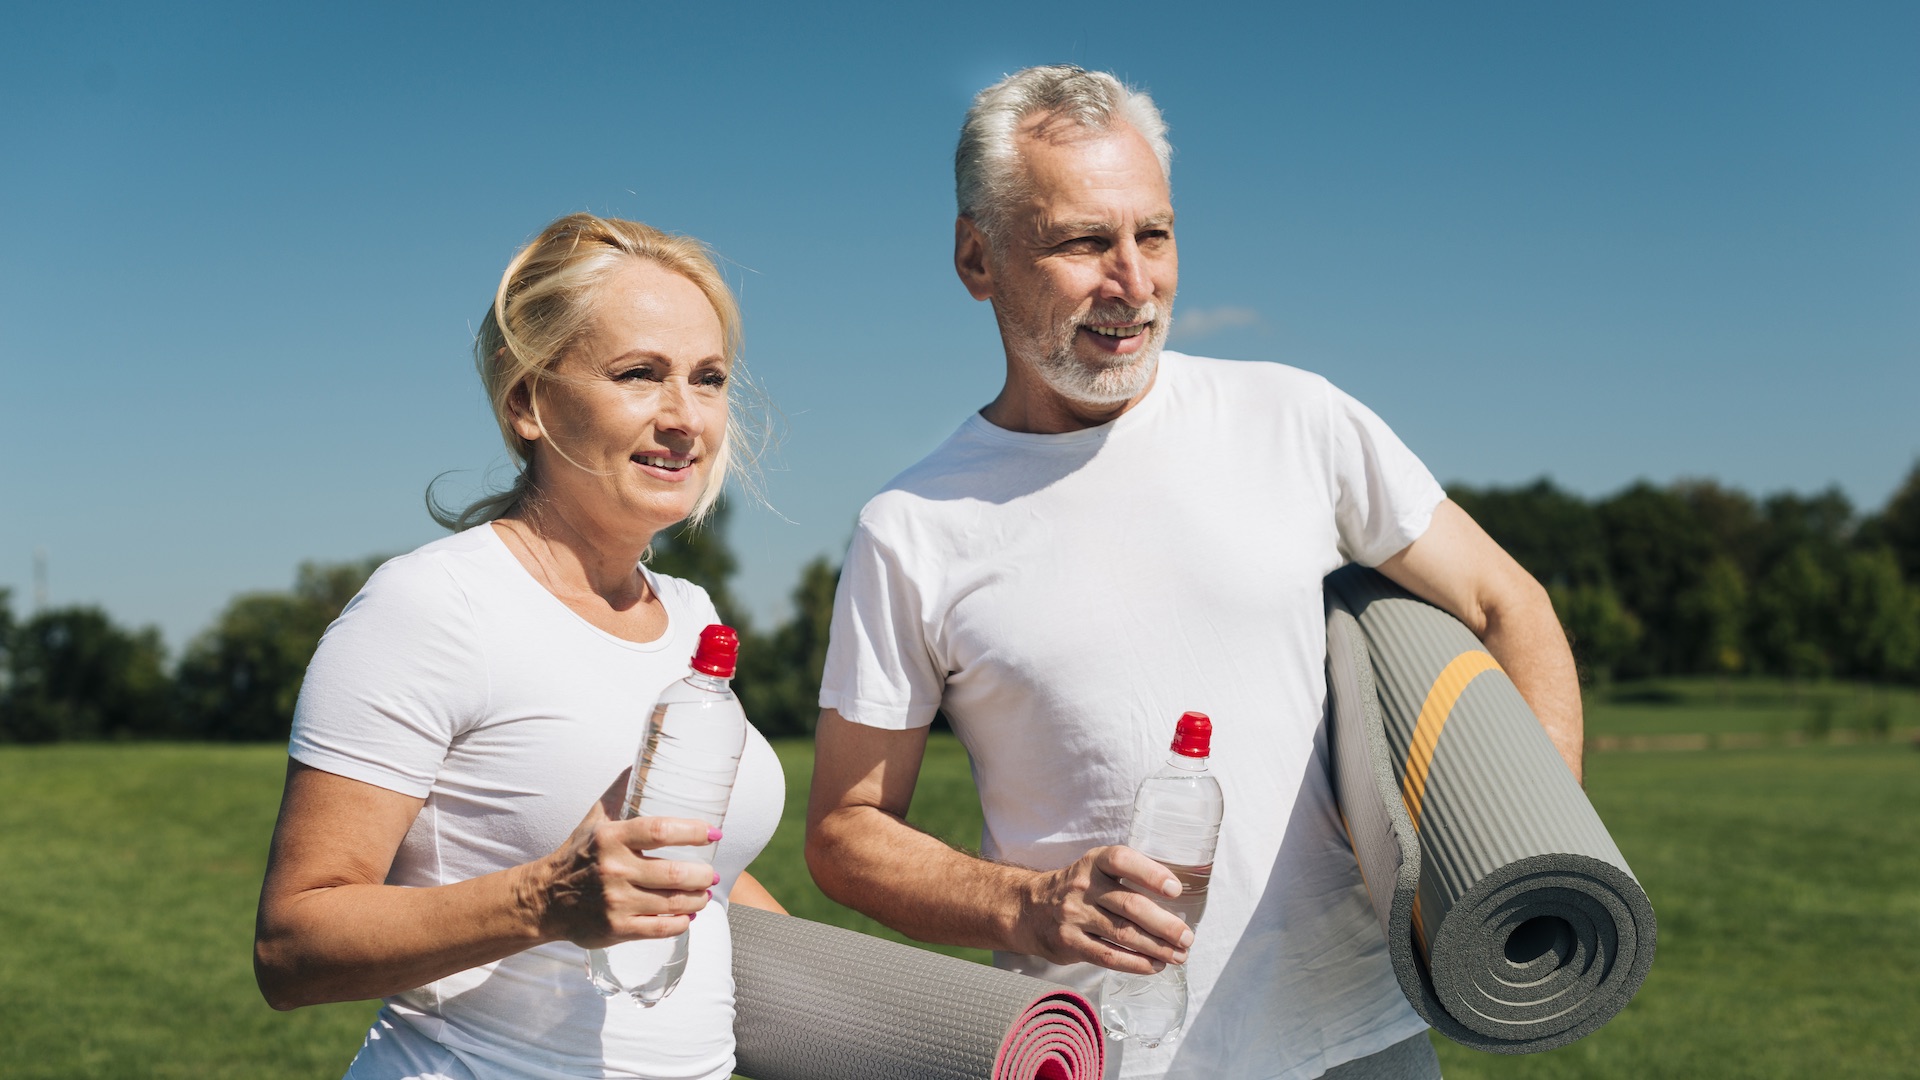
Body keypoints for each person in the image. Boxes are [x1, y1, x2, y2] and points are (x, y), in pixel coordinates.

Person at [803, 66, 1582, 1080]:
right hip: (1100, 1054)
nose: (1133, 283)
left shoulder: (1296, 419)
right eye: (1084, 242)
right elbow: (845, 833)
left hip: (1358, 1039)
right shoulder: (913, 527)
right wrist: (1024, 906)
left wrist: (1526, 845)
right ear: (975, 257)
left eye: (1155, 235)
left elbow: (1504, 602)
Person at [254, 212, 786, 1080]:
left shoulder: (690, 615)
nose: (685, 417)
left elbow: (702, 881)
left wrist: (875, 1008)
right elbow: (291, 946)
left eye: (709, 378)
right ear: (527, 403)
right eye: (639, 375)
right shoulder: (433, 605)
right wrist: (544, 898)